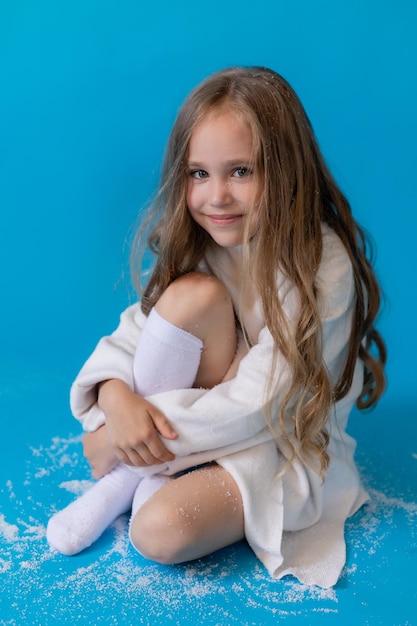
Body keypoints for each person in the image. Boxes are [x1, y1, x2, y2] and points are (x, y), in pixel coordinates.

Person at [46, 66, 386, 588]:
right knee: (188, 298)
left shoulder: (323, 265)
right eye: (199, 174)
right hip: (199, 426)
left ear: (287, 168)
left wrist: (123, 440)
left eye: (242, 172)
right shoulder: (209, 244)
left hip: (281, 442)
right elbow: (136, 331)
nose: (217, 197)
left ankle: (131, 474)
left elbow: (263, 403)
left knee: (157, 531)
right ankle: (135, 475)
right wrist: (114, 401)